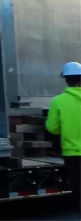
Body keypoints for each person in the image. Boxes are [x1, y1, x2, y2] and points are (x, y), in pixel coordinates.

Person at [46, 61, 81, 213]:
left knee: (78, 189)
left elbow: (52, 128)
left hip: (72, 154)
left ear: (66, 79)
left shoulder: (58, 101)